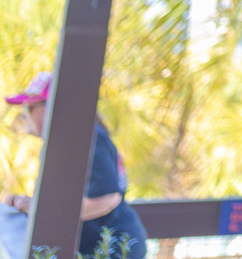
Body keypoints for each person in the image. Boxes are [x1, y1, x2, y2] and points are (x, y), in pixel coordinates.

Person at [3, 73, 148, 259]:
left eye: (29, 107)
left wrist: (39, 209)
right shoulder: (67, 142)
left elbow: (107, 199)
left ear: (53, 107)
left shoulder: (88, 138)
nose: (25, 115)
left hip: (113, 248)